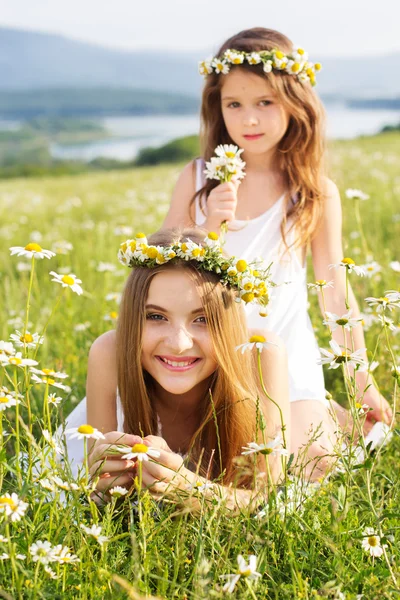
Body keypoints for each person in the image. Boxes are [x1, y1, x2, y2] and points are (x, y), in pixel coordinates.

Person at [162, 27, 392, 469]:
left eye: (265, 103)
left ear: (294, 103)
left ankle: (329, 414)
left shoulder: (314, 192)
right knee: (214, 457)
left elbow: (334, 292)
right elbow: (161, 274)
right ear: (219, 108)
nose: (249, 119)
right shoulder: (197, 179)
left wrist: (360, 378)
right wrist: (208, 224)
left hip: (285, 349)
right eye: (235, 104)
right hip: (208, 348)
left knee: (313, 462)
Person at [73, 229, 291, 506]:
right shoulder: (109, 352)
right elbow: (101, 494)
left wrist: (190, 491)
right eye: (155, 316)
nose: (178, 344)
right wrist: (105, 486)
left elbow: (266, 497)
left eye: (202, 319)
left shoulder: (261, 354)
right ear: (131, 319)